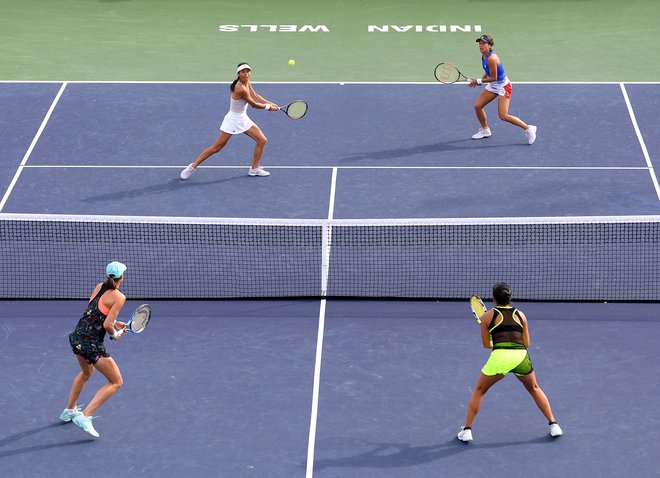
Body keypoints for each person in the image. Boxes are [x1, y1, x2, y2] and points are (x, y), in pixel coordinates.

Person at [457, 282, 562, 442]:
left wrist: (497, 342)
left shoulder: (487, 317)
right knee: (534, 388)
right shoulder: (521, 315)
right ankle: (554, 425)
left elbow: (486, 345)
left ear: (493, 299)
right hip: (520, 357)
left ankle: (467, 430)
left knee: (479, 390)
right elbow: (526, 343)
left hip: (500, 358)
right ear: (510, 298)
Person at [60, 261, 128, 438]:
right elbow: (106, 325)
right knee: (116, 382)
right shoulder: (120, 297)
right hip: (91, 345)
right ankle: (86, 416)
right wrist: (114, 334)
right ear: (122, 277)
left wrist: (115, 323)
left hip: (77, 338)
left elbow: (95, 313)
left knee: (86, 373)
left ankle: (69, 410)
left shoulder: (99, 287)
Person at [180, 62, 280, 179]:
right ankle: (192, 166)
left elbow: (256, 95)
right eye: (243, 72)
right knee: (217, 147)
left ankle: (254, 169)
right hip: (233, 120)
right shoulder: (239, 88)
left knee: (262, 140)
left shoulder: (247, 82)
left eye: (248, 71)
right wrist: (268, 107)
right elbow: (253, 104)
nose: (246, 74)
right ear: (238, 73)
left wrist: (272, 103)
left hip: (243, 118)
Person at [468, 34, 537, 145]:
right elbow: (488, 71)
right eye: (479, 43)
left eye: (484, 43)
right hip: (494, 85)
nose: (481, 45)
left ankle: (529, 128)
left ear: (489, 45)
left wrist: (478, 81)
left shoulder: (492, 58)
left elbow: (494, 77)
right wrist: (481, 80)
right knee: (478, 106)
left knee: (503, 116)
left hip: (503, 86)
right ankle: (485, 130)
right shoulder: (484, 56)